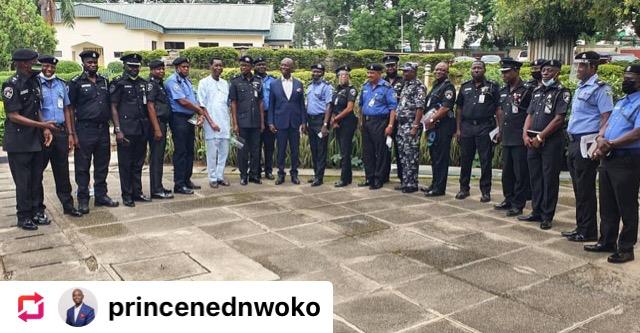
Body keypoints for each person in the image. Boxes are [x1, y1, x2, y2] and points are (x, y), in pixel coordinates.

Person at [585, 64, 640, 263]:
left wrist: (612, 144)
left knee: (626, 204)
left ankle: (626, 248)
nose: (626, 81)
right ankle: (607, 241)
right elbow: (608, 123)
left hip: (627, 159)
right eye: (625, 77)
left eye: (631, 78)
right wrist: (601, 138)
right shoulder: (622, 101)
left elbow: (637, 132)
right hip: (608, 157)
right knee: (607, 203)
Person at [2, 49, 57, 230]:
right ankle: (23, 216)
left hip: (34, 140)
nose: (35, 65)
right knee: (23, 181)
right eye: (32, 62)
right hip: (19, 142)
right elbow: (13, 116)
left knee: (36, 178)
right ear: (23, 63)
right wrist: (41, 126)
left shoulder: (34, 82)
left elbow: (36, 108)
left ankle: (37, 211)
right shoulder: (11, 85)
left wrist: (45, 127)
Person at [562, 51, 614, 242]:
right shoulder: (581, 87)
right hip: (575, 141)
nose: (579, 69)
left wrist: (599, 141)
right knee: (578, 188)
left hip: (587, 142)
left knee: (585, 189)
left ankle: (588, 230)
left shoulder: (601, 88)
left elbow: (606, 117)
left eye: (583, 66)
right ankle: (580, 226)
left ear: (593, 67)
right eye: (578, 65)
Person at [519, 59, 570, 230]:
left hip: (551, 142)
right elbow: (530, 114)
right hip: (533, 140)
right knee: (535, 177)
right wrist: (525, 133)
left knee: (549, 179)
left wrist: (540, 137)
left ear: (557, 72)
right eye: (543, 70)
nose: (545, 73)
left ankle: (547, 215)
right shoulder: (537, 91)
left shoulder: (561, 92)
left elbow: (559, 119)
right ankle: (536, 211)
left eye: (549, 70)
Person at [68, 50, 119, 213]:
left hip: (102, 128)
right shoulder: (75, 83)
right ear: (83, 63)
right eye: (90, 62)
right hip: (84, 129)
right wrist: (72, 133)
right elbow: (70, 109)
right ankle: (83, 199)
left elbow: (111, 104)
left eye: (95, 62)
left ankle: (101, 196)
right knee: (82, 166)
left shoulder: (104, 81)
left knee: (102, 164)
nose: (93, 65)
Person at [36, 55, 82, 217]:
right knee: (37, 172)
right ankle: (38, 209)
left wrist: (70, 133)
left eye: (52, 67)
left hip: (61, 132)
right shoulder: (34, 83)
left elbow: (67, 109)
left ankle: (68, 206)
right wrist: (44, 128)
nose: (49, 69)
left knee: (62, 171)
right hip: (43, 134)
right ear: (41, 66)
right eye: (46, 66)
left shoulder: (61, 84)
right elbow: (36, 109)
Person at [455, 61, 500, 202]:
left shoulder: (492, 87)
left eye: (479, 68)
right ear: (470, 70)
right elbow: (459, 109)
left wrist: (499, 129)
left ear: (484, 70)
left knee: (485, 160)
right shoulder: (464, 87)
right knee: (466, 159)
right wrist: (458, 129)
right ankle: (464, 189)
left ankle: (486, 191)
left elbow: (499, 108)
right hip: (467, 127)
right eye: (474, 68)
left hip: (485, 127)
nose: (476, 70)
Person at [110, 53, 151, 207]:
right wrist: (118, 129)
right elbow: (113, 106)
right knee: (125, 164)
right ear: (125, 67)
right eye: (131, 66)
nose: (134, 69)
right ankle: (127, 195)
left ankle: (137, 192)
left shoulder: (143, 83)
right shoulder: (118, 83)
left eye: (137, 66)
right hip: (126, 130)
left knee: (138, 163)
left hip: (141, 129)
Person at [494, 58, 533, 217]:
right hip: (507, 135)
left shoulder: (527, 90)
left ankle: (518, 204)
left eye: (507, 72)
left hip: (519, 136)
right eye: (502, 72)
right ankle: (508, 199)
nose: (504, 75)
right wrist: (499, 130)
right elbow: (502, 112)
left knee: (520, 173)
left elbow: (530, 114)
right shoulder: (503, 91)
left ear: (516, 71)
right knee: (507, 172)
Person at [166, 57, 210, 194]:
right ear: (177, 68)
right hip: (178, 118)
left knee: (189, 150)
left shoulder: (186, 81)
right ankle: (179, 184)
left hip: (189, 118)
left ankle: (187, 180)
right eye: (183, 67)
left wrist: (199, 114)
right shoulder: (173, 81)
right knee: (180, 151)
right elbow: (182, 101)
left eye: (187, 67)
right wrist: (199, 110)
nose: (186, 69)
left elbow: (193, 99)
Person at [358, 64, 397, 190]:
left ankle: (379, 178)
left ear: (379, 74)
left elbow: (393, 108)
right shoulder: (365, 87)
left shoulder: (386, 88)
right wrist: (361, 121)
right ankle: (369, 177)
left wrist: (390, 125)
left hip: (380, 122)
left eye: (372, 73)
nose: (369, 75)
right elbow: (361, 105)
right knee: (367, 152)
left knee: (380, 152)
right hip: (367, 122)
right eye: (368, 72)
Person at [268, 58, 306, 185]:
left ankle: (294, 174)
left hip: (295, 123)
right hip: (280, 123)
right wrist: (271, 122)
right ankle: (280, 174)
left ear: (292, 68)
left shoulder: (299, 84)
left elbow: (302, 105)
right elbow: (271, 105)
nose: (283, 67)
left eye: (286, 65)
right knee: (281, 150)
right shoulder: (274, 84)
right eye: (282, 65)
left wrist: (303, 122)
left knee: (295, 150)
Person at [422, 62, 456, 197]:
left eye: (442, 70)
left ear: (447, 72)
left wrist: (431, 120)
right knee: (434, 157)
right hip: (432, 128)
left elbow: (445, 107)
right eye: (436, 69)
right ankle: (434, 184)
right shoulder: (436, 86)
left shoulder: (448, 87)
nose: (438, 72)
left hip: (442, 127)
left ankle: (439, 188)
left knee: (441, 159)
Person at [230, 56, 264, 185]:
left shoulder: (258, 81)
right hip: (241, 122)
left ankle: (254, 175)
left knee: (255, 150)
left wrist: (261, 122)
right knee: (242, 151)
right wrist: (235, 123)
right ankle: (243, 175)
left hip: (255, 122)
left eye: (245, 65)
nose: (243, 67)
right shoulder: (235, 81)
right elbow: (233, 103)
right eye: (241, 65)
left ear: (251, 67)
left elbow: (260, 102)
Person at [394, 62, 425, 193]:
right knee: (403, 156)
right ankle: (405, 181)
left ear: (414, 72)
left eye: (407, 71)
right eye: (403, 71)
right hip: (401, 125)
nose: (404, 73)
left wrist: (415, 126)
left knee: (411, 156)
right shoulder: (405, 85)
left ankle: (412, 184)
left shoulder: (419, 86)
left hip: (410, 124)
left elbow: (420, 107)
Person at [198, 58, 229, 188]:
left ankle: (220, 176)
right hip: (211, 124)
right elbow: (202, 105)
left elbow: (226, 104)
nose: (218, 68)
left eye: (220, 65)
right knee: (212, 154)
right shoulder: (203, 83)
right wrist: (211, 123)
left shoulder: (225, 83)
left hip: (224, 123)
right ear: (210, 66)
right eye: (216, 65)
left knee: (224, 152)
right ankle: (212, 178)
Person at [146, 60, 174, 200]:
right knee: (156, 158)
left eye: (162, 69)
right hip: (156, 124)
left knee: (159, 157)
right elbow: (150, 106)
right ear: (151, 70)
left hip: (162, 123)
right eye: (158, 69)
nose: (161, 71)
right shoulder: (152, 85)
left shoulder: (159, 83)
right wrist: (157, 129)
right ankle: (156, 189)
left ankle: (158, 186)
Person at [305, 63, 333, 186]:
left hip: (321, 121)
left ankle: (319, 178)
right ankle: (316, 174)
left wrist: (325, 124)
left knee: (321, 150)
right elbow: (307, 105)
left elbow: (329, 106)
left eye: (318, 72)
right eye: (314, 71)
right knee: (314, 149)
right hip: (310, 121)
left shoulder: (326, 87)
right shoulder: (309, 86)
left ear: (323, 73)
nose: (315, 73)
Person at [330, 65, 358, 187]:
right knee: (342, 150)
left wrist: (335, 119)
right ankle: (348, 177)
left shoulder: (351, 90)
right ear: (338, 77)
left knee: (345, 152)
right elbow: (332, 106)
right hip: (337, 123)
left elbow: (349, 108)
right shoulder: (336, 90)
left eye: (346, 75)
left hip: (347, 123)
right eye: (341, 75)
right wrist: (333, 120)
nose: (343, 77)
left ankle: (344, 179)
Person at [254, 57, 277, 180]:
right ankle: (256, 171)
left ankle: (268, 171)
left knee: (269, 146)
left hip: (269, 115)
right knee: (256, 145)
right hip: (255, 116)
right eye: (258, 64)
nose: (261, 67)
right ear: (254, 67)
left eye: (263, 64)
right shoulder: (251, 80)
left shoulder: (273, 81)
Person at [382, 55, 404, 183]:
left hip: (400, 121)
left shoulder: (403, 81)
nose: (390, 68)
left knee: (400, 149)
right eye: (388, 66)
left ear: (397, 66)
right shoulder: (381, 81)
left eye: (392, 65)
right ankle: (384, 176)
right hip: (384, 120)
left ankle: (402, 177)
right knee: (384, 149)